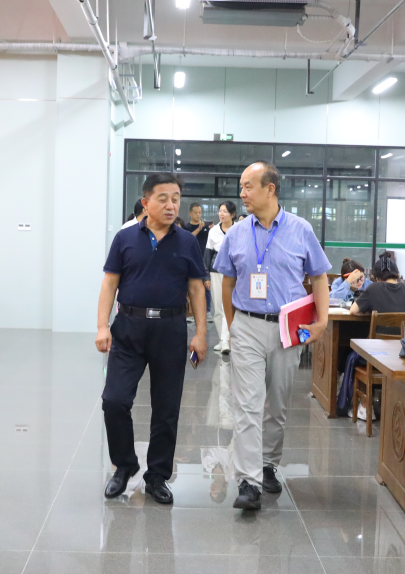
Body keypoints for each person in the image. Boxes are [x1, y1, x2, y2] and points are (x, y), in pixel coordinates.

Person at [213, 160, 331, 511]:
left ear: (270, 189)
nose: (242, 193)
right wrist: (234, 325)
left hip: (286, 327)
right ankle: (248, 482)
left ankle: (267, 465)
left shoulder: (300, 229)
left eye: (248, 186)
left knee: (277, 405)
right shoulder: (236, 233)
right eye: (241, 186)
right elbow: (227, 283)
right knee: (247, 405)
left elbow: (319, 276)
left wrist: (322, 321)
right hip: (247, 325)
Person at [95, 173, 208, 505]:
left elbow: (196, 289)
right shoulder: (125, 238)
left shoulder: (186, 241)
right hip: (128, 328)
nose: (171, 205)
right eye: (163, 198)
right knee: (114, 400)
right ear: (146, 202)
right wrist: (102, 326)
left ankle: (157, 475)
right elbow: (109, 283)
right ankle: (124, 466)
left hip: (170, 330)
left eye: (176, 198)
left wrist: (201, 334)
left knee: (166, 407)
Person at [204, 201, 237, 354]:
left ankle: (226, 340)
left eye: (225, 211)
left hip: (233, 272)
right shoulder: (213, 231)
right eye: (220, 211)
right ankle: (221, 339)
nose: (221, 214)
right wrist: (206, 276)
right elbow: (207, 255)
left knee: (228, 306)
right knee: (217, 308)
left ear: (233, 214)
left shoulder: (238, 229)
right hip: (216, 271)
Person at [349, 252, 405, 316]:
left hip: (380, 331)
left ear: (377, 278)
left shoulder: (373, 288)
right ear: (397, 274)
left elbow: (353, 311)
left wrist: (370, 313)